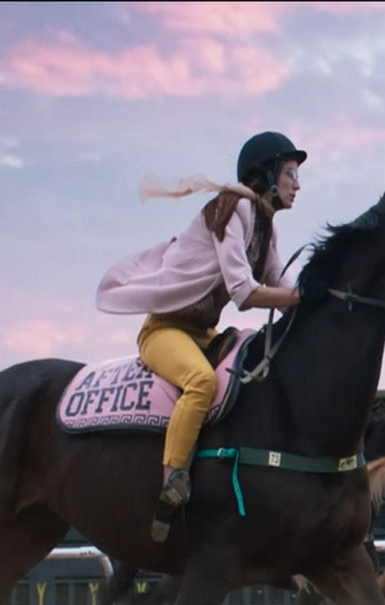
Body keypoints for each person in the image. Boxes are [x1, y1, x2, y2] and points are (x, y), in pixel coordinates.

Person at [96, 131, 306, 541]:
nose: (297, 184)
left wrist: (319, 303)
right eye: (290, 173)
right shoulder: (237, 208)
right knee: (201, 382)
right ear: (265, 173)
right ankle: (172, 480)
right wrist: (302, 298)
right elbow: (245, 293)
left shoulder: (267, 228)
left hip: (203, 333)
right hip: (165, 330)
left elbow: (282, 285)